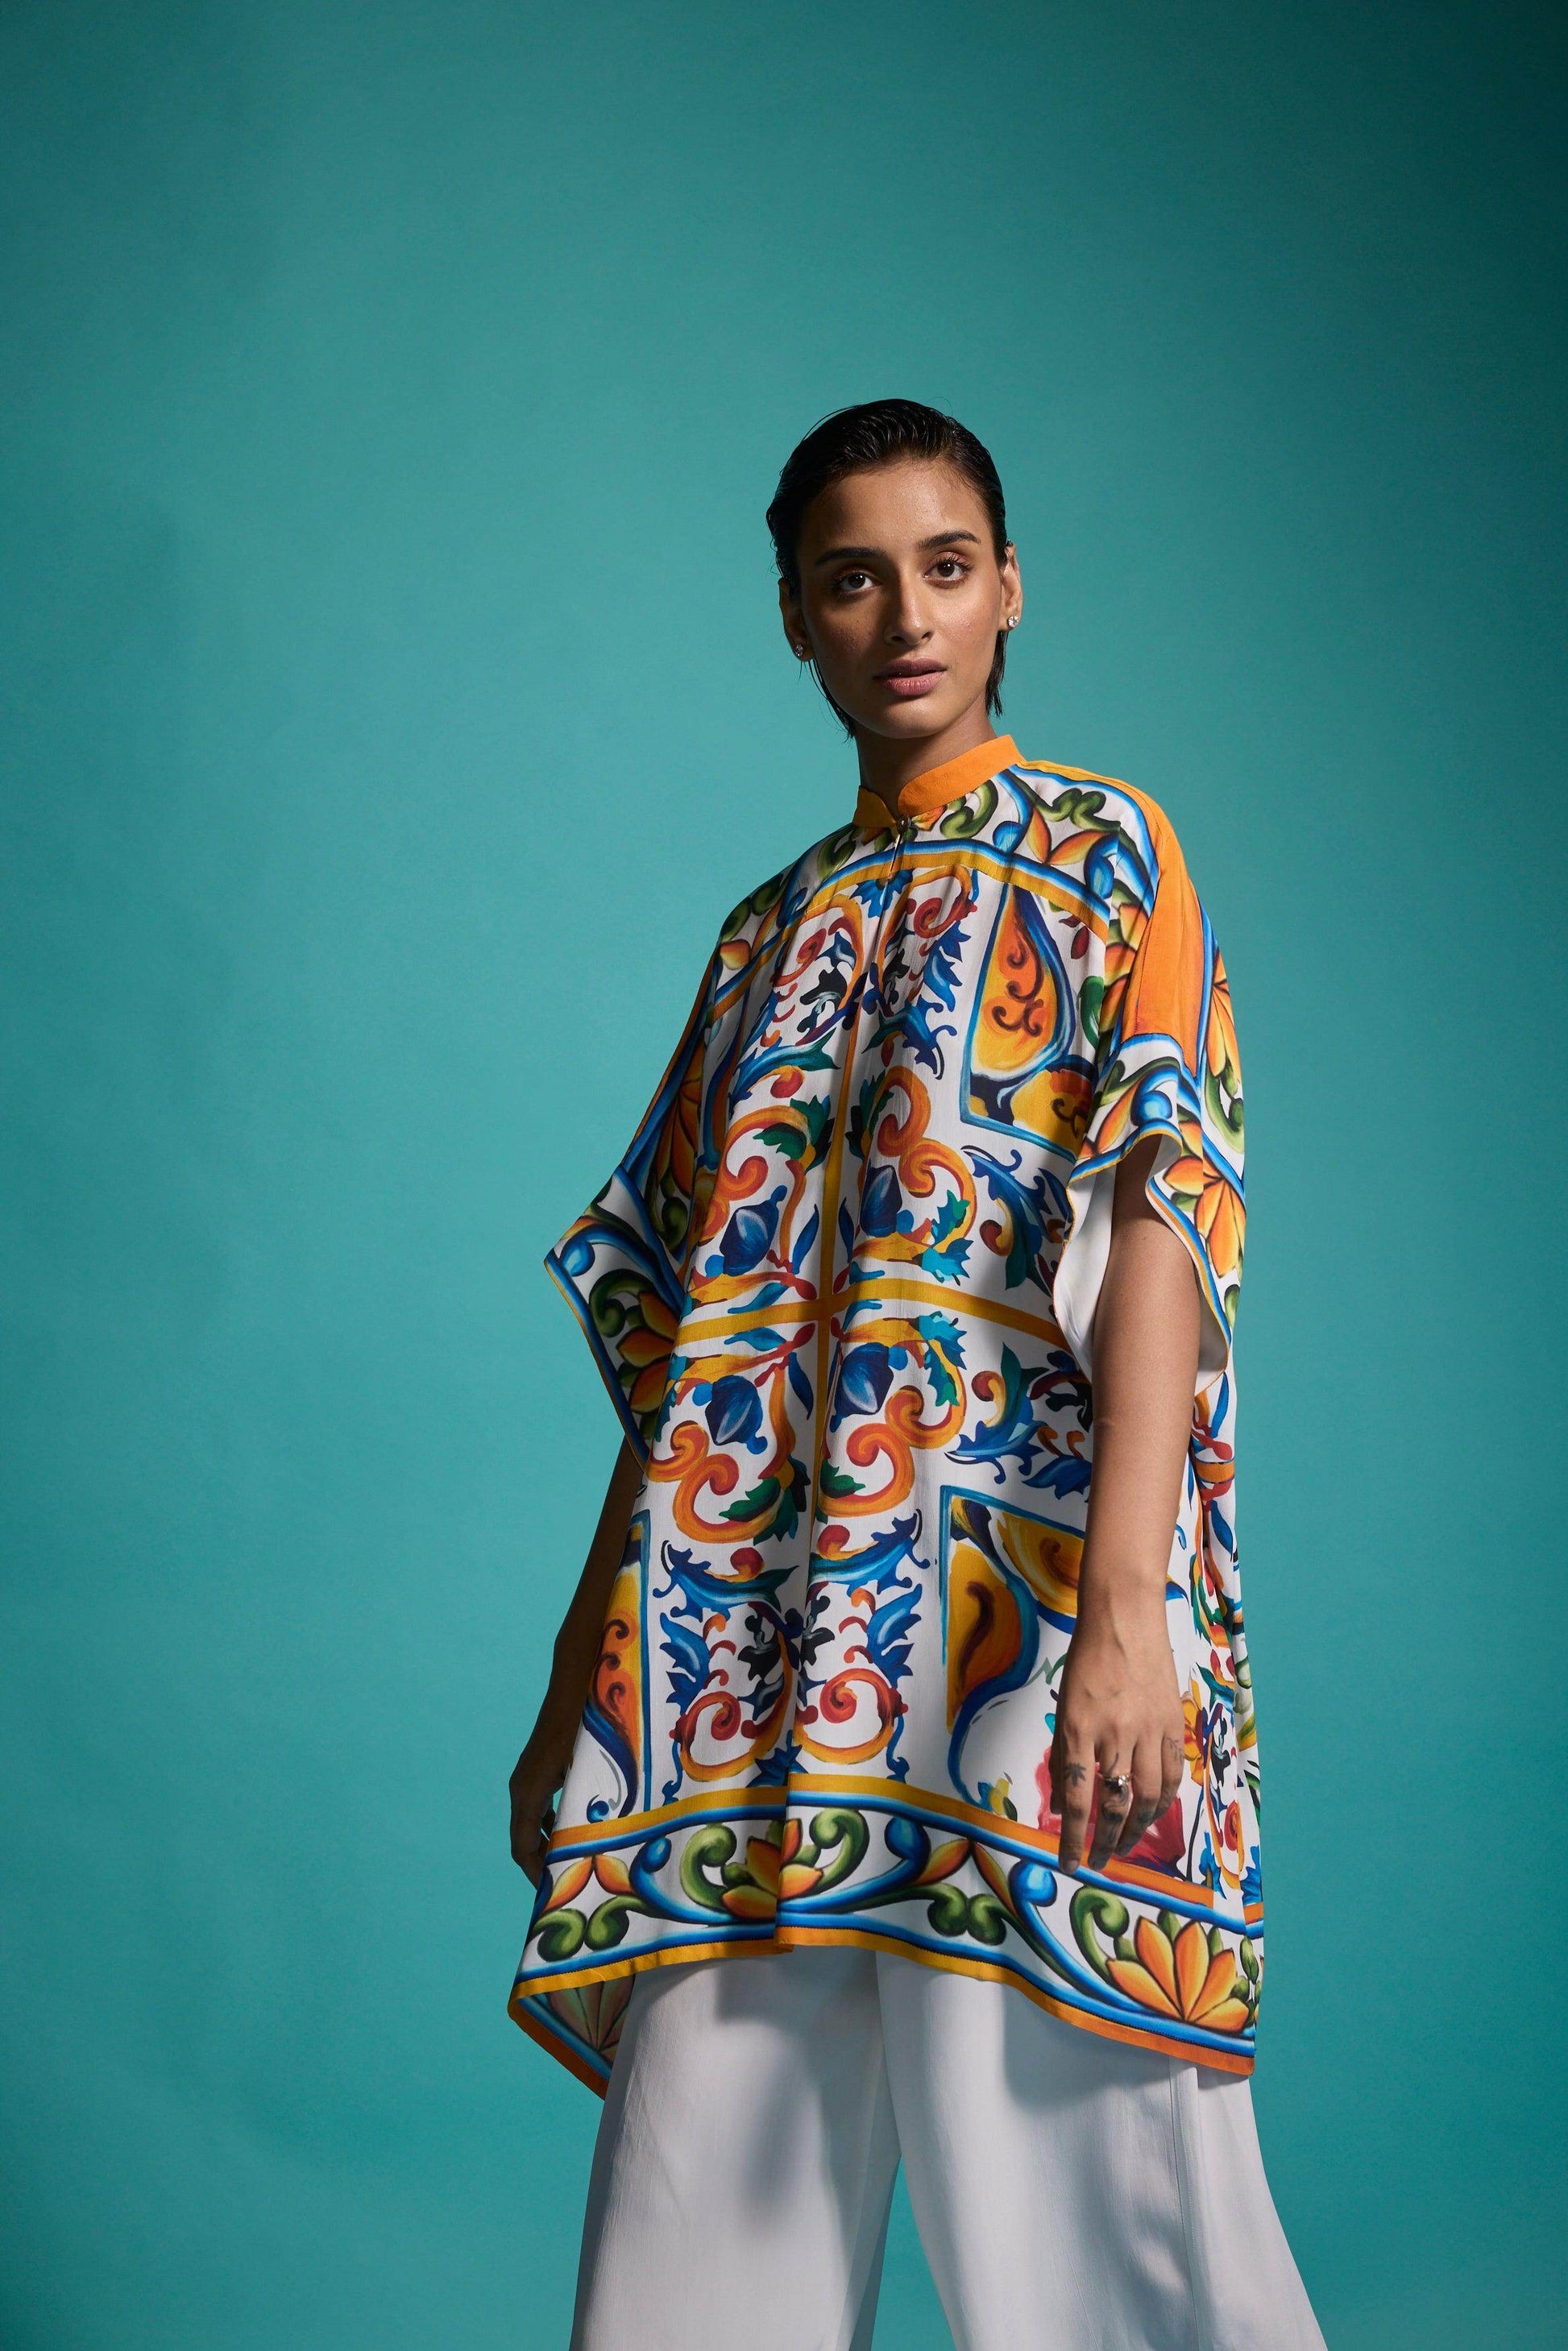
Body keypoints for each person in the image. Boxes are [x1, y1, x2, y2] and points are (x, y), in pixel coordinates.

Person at [508, 399, 1325, 2350]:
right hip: (736, 1661)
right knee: (692, 2236)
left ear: (1009, 586)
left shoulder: (1104, 854)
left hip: (1021, 1626)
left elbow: (1158, 1225)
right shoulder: (761, 938)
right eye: (853, 579)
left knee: (1107, 2228)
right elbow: (691, 1349)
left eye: (945, 567)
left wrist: (1123, 1615)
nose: (906, 617)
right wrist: (574, 1682)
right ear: (795, 615)